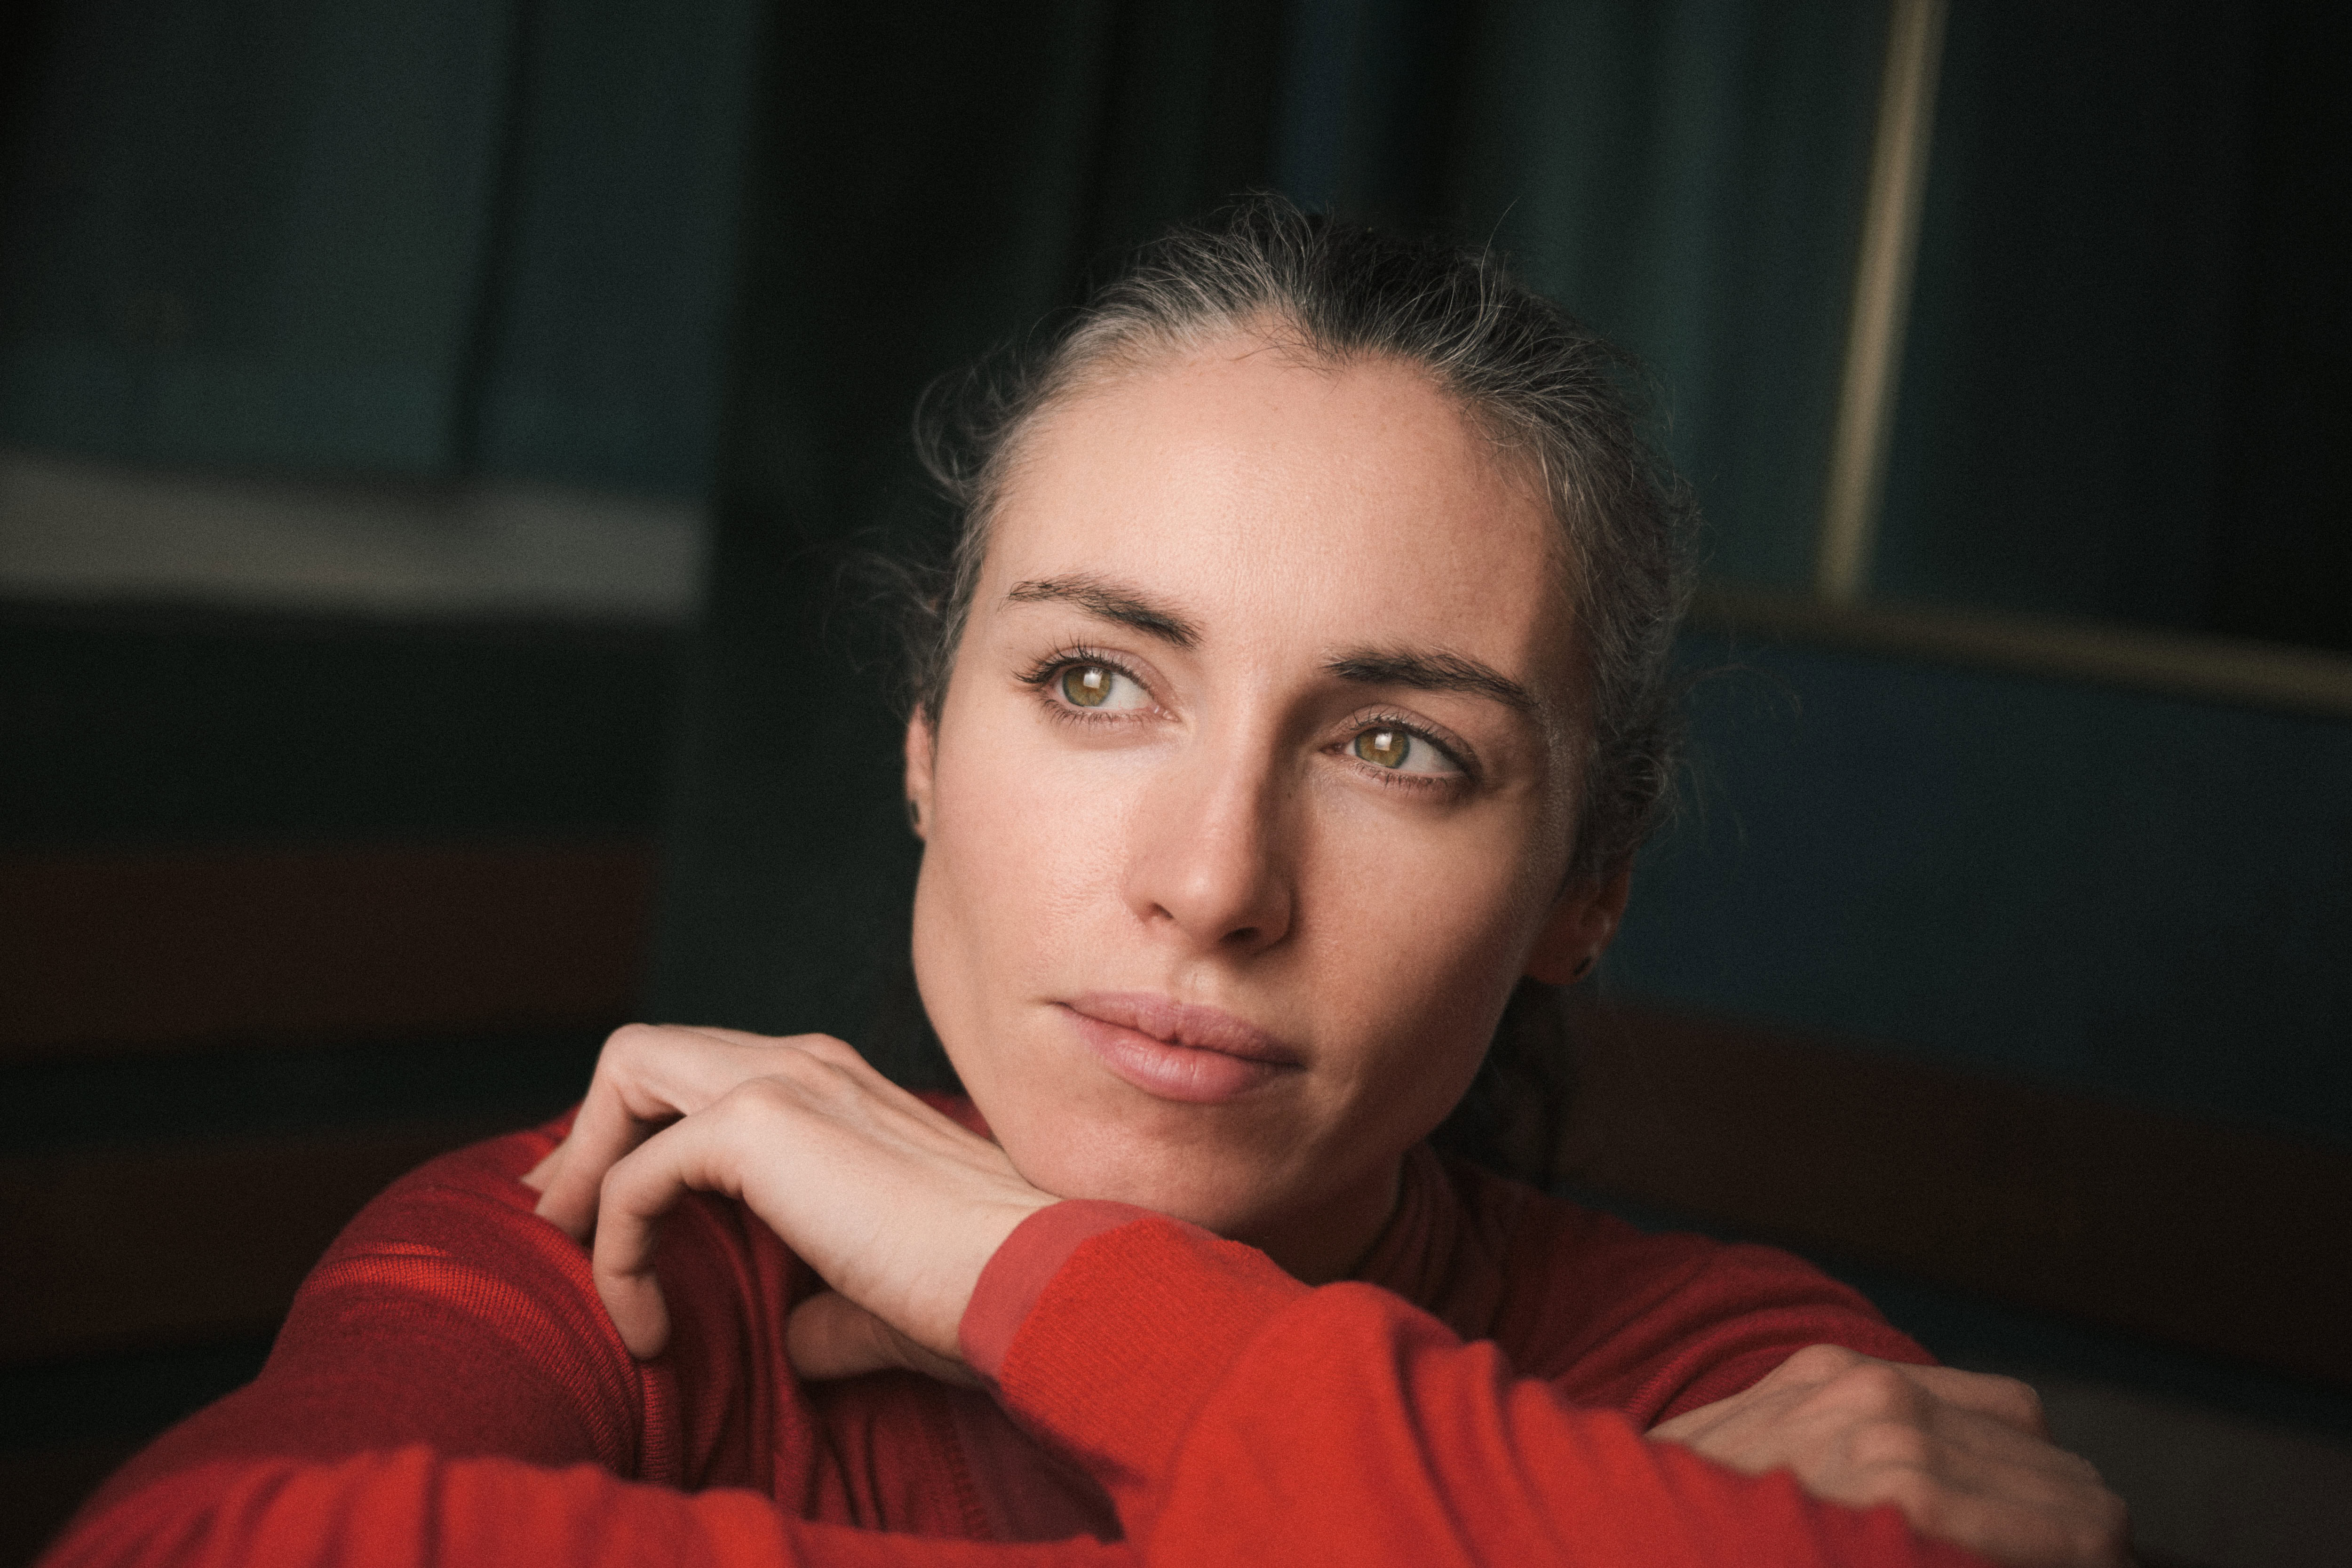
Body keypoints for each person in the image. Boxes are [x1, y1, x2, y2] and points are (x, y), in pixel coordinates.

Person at [44, 199, 2129, 1568]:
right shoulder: (607, 1254)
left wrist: (1040, 1287)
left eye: (1397, 748)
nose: (1215, 882)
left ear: (1579, 886)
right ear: (927, 752)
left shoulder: (1719, 1369)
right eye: (1094, 680)